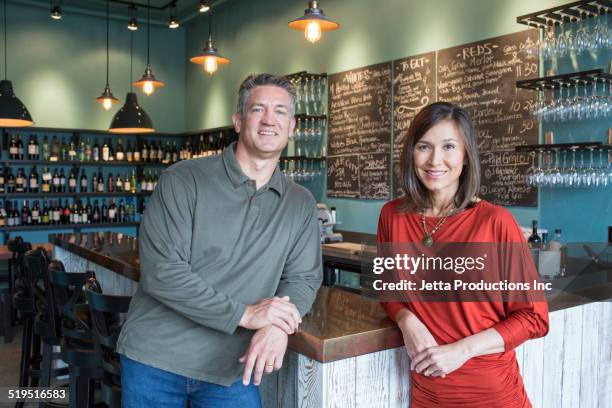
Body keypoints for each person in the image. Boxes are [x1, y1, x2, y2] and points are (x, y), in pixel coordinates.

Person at [117, 73, 322, 407]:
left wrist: (280, 325)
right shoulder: (183, 179)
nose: (270, 119)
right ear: (238, 121)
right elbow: (162, 273)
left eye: (280, 111)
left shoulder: (299, 202)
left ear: (292, 126)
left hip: (231, 368)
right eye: (258, 109)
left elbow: (303, 278)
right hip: (156, 359)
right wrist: (246, 314)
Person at [377, 102, 549, 407]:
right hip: (428, 395)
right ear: (411, 153)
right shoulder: (393, 216)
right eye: (424, 146)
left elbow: (533, 317)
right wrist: (406, 320)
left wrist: (462, 350)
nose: (435, 160)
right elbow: (389, 288)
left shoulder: (495, 222)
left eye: (448, 147)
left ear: (466, 155)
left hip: (492, 394)